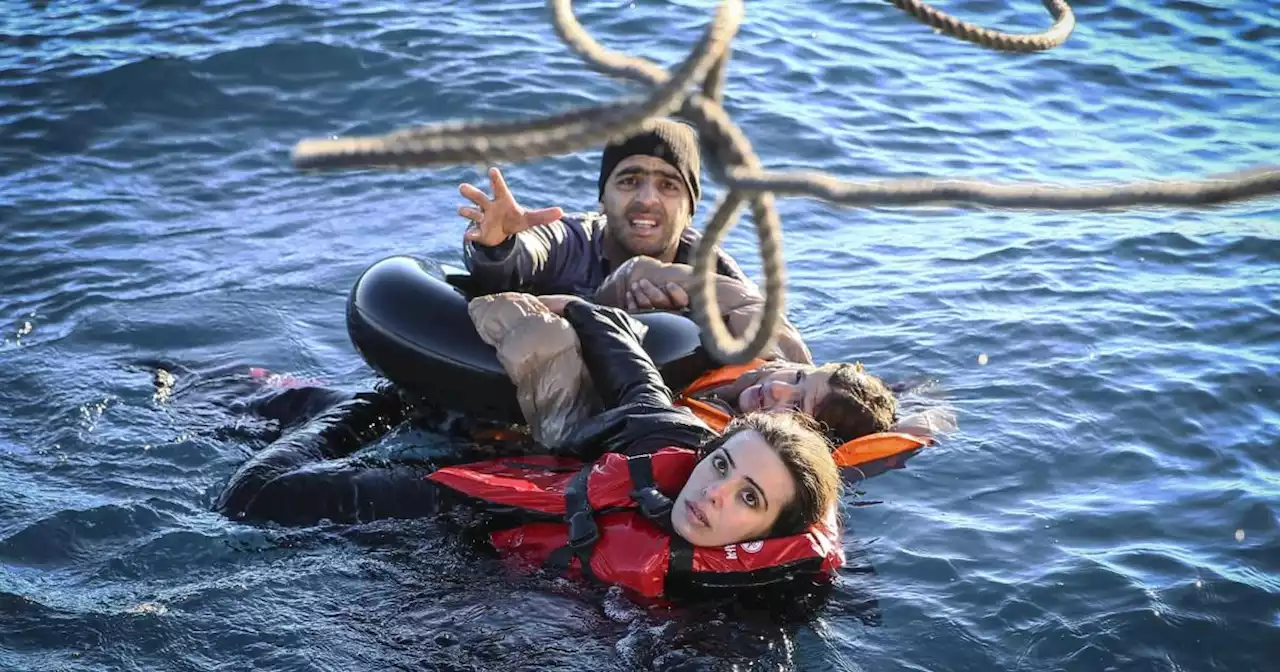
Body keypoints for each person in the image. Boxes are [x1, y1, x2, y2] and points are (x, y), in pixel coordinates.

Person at [216, 298, 842, 597]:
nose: (711, 492)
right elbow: (623, 356)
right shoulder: (671, 441)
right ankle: (367, 404)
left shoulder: (745, 605)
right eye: (723, 465)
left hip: (494, 589)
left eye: (747, 498)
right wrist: (569, 307)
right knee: (252, 497)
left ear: (765, 536)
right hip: (463, 512)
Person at [457, 118, 758, 297]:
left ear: (690, 209)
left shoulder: (715, 273)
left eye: (668, 185)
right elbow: (531, 250)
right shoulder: (571, 243)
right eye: (629, 181)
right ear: (602, 198)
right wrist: (499, 245)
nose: (647, 199)